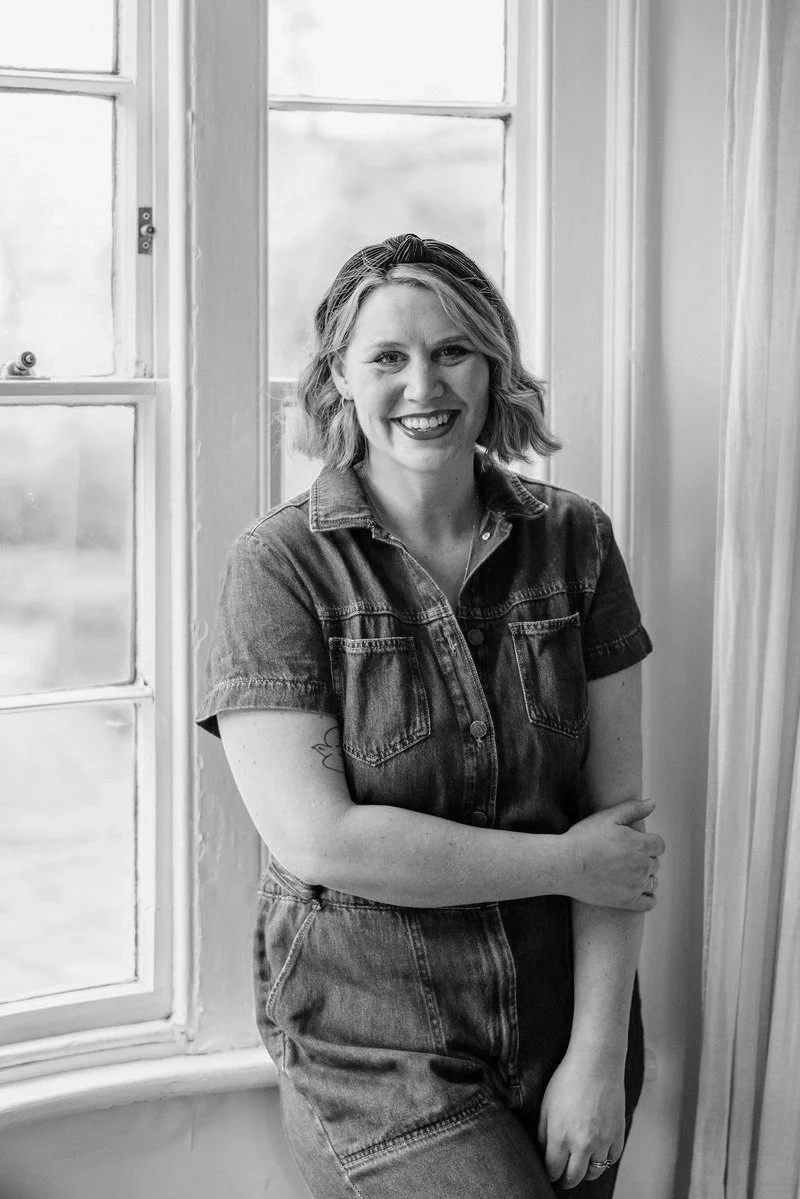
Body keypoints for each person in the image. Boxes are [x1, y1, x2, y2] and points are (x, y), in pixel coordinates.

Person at [195, 232, 664, 1198]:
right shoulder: (278, 567)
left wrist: (597, 1053)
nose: (424, 384)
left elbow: (619, 831)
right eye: (388, 357)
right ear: (339, 378)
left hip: (562, 1017)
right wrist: (567, 861)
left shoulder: (575, 540)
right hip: (376, 1042)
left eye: (453, 350)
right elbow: (322, 840)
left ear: (493, 364)